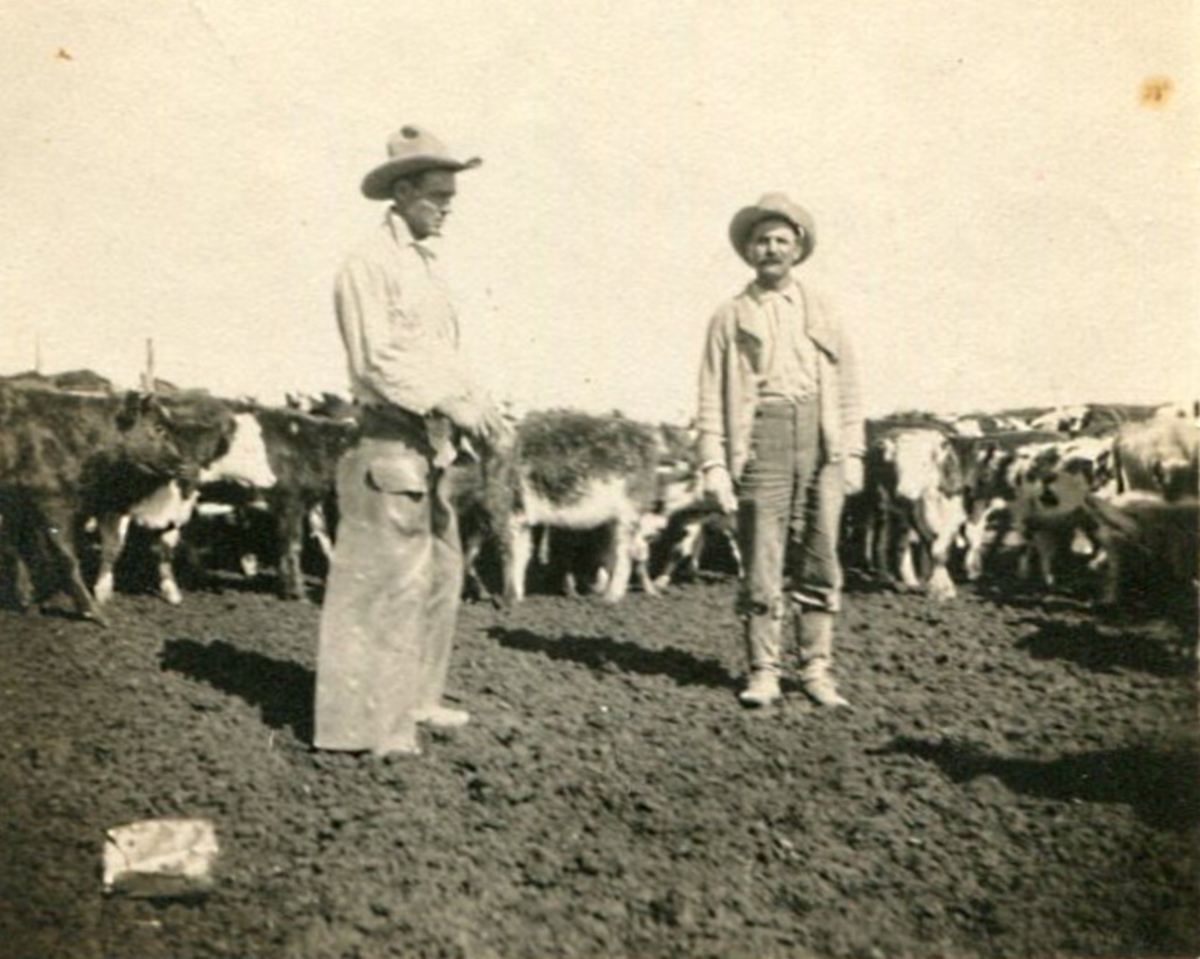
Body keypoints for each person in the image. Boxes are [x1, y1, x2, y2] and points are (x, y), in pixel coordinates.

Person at [314, 125, 507, 757]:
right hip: (388, 439)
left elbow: (440, 357)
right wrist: (451, 402)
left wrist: (477, 403)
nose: (448, 208)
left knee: (441, 574)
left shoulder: (424, 268)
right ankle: (366, 728)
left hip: (431, 444)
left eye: (452, 196)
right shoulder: (368, 264)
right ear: (401, 192)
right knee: (385, 584)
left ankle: (417, 699)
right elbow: (377, 360)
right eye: (437, 196)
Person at [695, 193, 865, 709]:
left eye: (781, 241)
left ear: (798, 249)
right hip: (760, 439)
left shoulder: (824, 310)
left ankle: (816, 670)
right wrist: (714, 463)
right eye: (761, 241)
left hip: (821, 440)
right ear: (748, 250)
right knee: (762, 559)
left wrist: (853, 452)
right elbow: (710, 394)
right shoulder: (730, 316)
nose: (771, 249)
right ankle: (764, 670)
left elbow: (848, 386)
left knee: (820, 555)